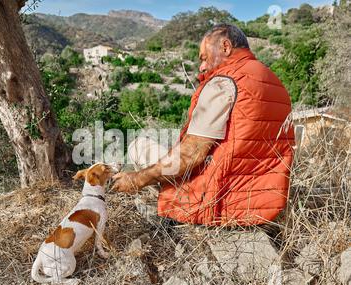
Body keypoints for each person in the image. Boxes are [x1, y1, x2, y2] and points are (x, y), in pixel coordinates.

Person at [112, 23, 295, 226]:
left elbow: (190, 155)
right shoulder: (272, 80)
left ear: (225, 47)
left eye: (204, 58)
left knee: (139, 145)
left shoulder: (224, 82)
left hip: (219, 200)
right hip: (264, 203)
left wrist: (137, 179)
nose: (202, 67)